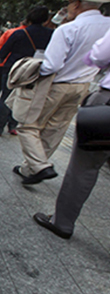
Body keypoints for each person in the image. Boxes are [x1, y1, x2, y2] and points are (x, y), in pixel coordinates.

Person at [13, 0, 110, 185]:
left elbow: (51, 65)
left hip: (56, 84)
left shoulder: (69, 28)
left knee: (27, 124)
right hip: (83, 85)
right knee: (55, 128)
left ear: (76, 4)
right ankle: (29, 168)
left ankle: (40, 166)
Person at [33, 26, 110, 238]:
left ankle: (62, 222)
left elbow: (98, 56)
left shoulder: (71, 28)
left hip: (106, 103)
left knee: (85, 166)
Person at [0, 6, 53, 136]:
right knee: (23, 98)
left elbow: (2, 53)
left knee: (6, 97)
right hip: (34, 70)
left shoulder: (19, 33)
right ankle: (13, 126)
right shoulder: (51, 34)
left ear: (28, 18)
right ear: (46, 20)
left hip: (14, 69)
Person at [0, 23, 27, 109]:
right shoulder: (37, 34)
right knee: (11, 90)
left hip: (3, 63)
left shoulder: (11, 32)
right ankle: (6, 108)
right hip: (23, 66)